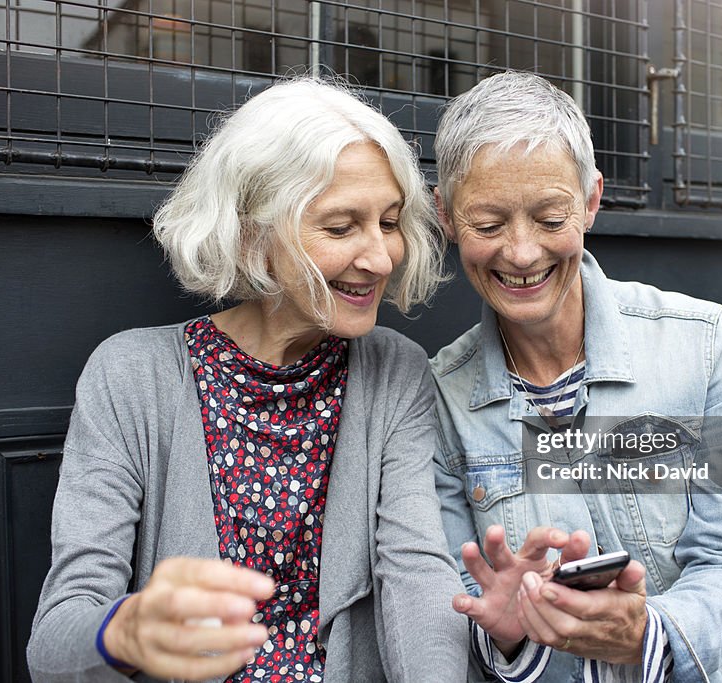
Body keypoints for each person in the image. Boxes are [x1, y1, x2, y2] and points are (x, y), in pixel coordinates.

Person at [27, 77, 468, 683]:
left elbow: (418, 575)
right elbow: (55, 639)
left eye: (389, 222)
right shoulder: (130, 376)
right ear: (253, 234)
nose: (382, 257)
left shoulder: (396, 373)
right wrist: (126, 628)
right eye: (341, 227)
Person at [429, 71, 722, 682]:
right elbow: (468, 599)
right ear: (444, 215)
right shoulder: (439, 398)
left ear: (591, 201)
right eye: (488, 225)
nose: (520, 253)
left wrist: (651, 636)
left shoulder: (707, 346)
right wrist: (506, 636)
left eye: (550, 217)